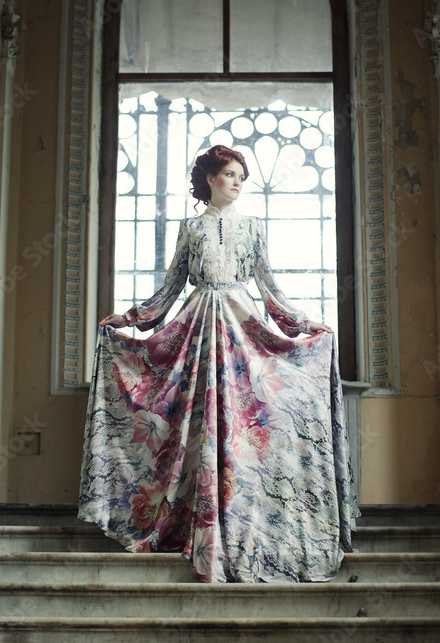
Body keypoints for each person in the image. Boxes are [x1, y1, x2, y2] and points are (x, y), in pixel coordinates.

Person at [78, 144, 357, 583]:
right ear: (210, 178)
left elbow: (269, 287)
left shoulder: (253, 227)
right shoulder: (190, 229)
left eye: (242, 177)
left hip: (242, 326)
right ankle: (190, 521)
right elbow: (170, 288)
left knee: (247, 424)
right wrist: (131, 319)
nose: (238, 183)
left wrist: (302, 325)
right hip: (198, 329)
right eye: (230, 175)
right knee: (193, 424)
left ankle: (246, 521)